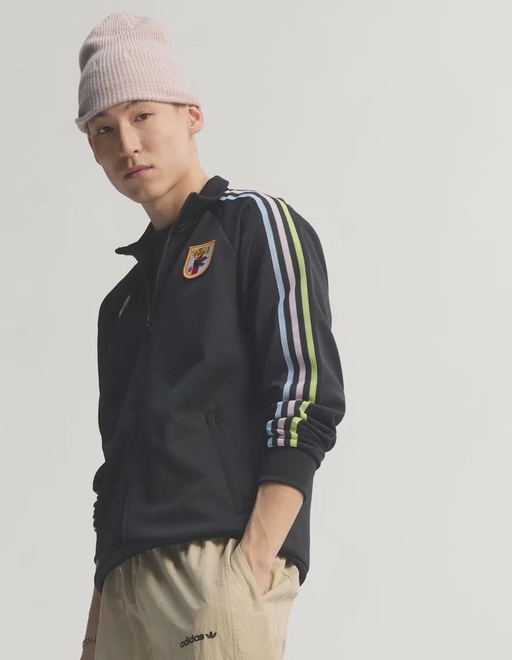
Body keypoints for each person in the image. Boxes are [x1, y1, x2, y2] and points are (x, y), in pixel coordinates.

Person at [74, 12, 346, 660]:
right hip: (124, 588)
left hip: (214, 566)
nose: (127, 143)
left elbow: (306, 392)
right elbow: (116, 468)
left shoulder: (255, 224)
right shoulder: (121, 303)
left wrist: (251, 563)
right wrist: (95, 626)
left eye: (142, 115)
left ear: (191, 115)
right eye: (104, 129)